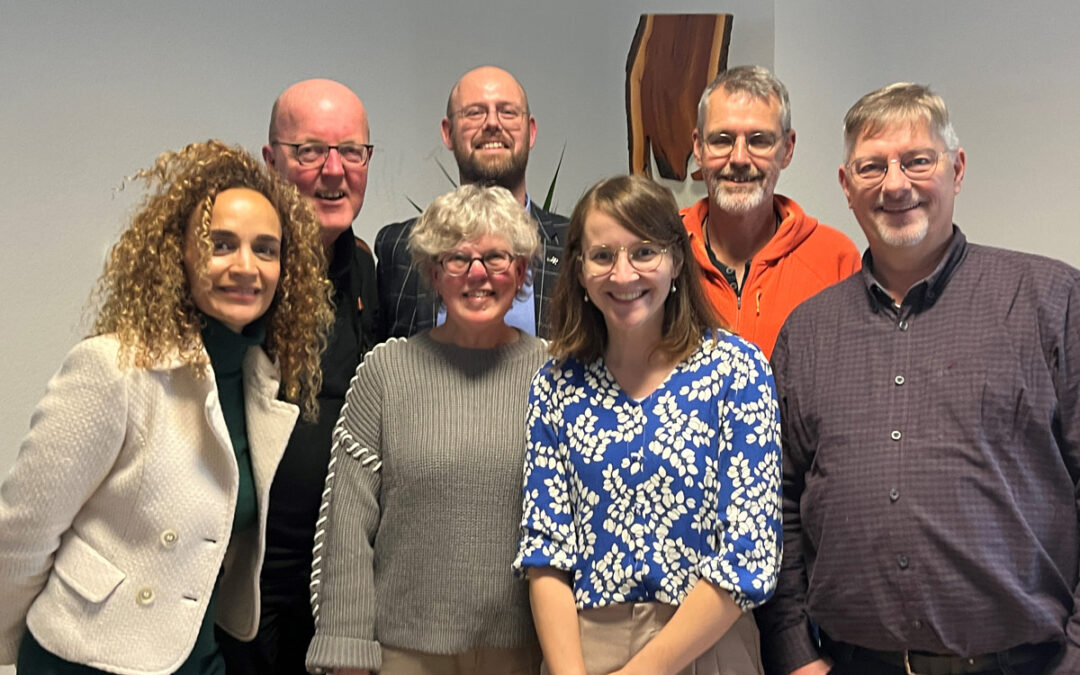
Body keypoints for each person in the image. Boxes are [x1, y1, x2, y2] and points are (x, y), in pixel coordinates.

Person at [757, 83, 1079, 675]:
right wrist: (794, 651)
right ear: (846, 186)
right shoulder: (806, 333)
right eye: (872, 167)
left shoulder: (1050, 301)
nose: (895, 184)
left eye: (917, 161)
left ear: (956, 169)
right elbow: (780, 506)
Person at [0, 140, 333, 674]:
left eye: (265, 249)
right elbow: (18, 538)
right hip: (83, 658)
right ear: (179, 252)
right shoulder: (114, 367)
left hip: (195, 658)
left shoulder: (260, 383)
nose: (246, 266)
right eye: (221, 244)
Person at [515, 174, 782, 675]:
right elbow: (545, 550)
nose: (622, 274)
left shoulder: (735, 372)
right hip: (581, 649)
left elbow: (750, 551)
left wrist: (646, 670)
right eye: (602, 255)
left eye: (644, 253)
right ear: (577, 268)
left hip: (707, 645)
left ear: (677, 260)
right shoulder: (554, 386)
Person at [306, 184, 549, 674]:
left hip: (523, 651)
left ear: (521, 271)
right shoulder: (386, 373)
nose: (477, 274)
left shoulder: (553, 376)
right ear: (433, 273)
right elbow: (347, 531)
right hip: (403, 653)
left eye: (497, 258)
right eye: (458, 258)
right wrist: (346, 650)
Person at [218, 78, 380, 674]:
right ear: (271, 160)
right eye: (310, 150)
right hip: (242, 594)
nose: (333, 171)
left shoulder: (367, 270)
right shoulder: (241, 277)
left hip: (338, 588)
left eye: (351, 151)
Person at [376, 65, 568, 340]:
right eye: (475, 112)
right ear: (448, 132)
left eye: (508, 112)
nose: (492, 123)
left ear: (531, 131)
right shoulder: (398, 248)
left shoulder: (575, 245)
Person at [684, 65, 860, 358]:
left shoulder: (835, 259)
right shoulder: (661, 251)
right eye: (722, 140)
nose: (739, 158)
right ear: (699, 148)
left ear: (787, 149)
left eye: (759, 140)